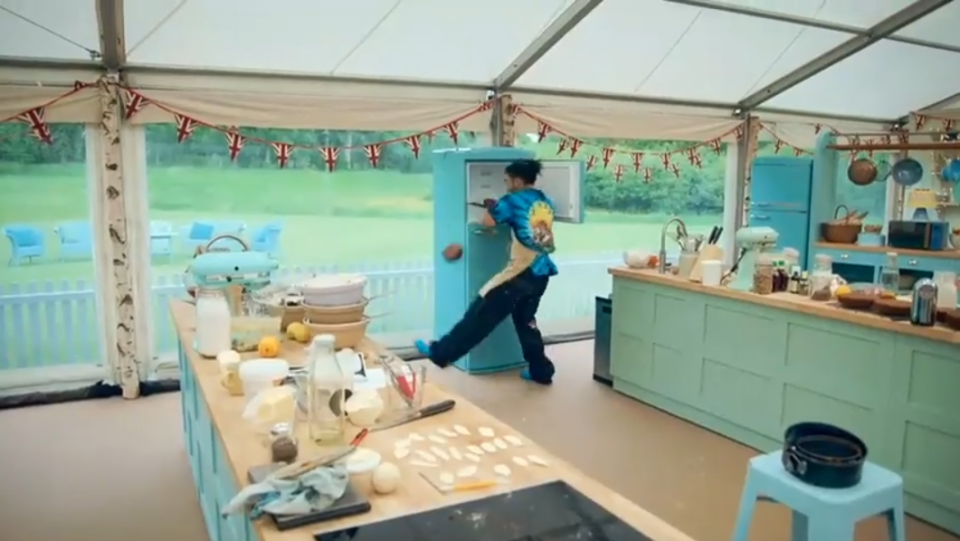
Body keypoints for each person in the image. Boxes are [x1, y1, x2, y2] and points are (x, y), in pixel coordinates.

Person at [415, 159, 557, 385]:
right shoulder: (544, 200)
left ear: (518, 180)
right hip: (542, 272)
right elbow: (535, 231)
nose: (506, 184)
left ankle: (439, 352)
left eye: (507, 180)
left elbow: (488, 221)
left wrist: (493, 207)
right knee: (526, 322)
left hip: (519, 274)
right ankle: (541, 371)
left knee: (480, 313)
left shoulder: (511, 200)